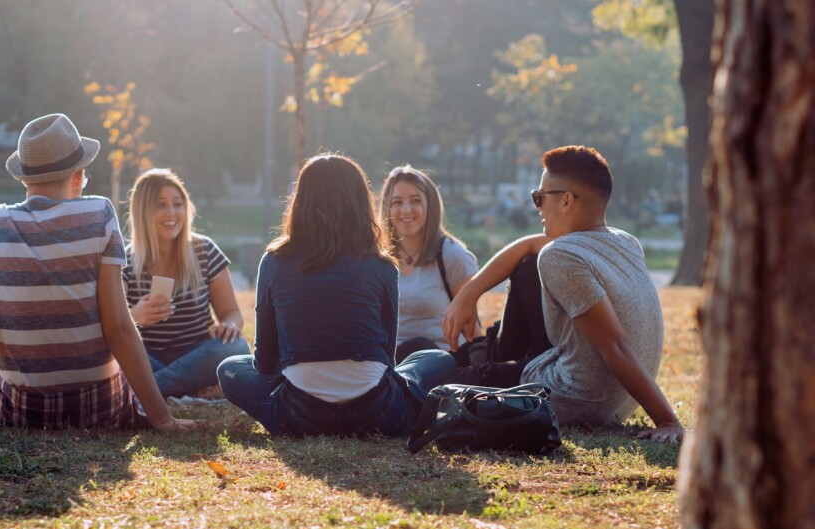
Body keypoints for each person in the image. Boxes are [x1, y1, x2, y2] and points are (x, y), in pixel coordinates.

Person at [0, 113, 197, 435]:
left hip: (21, 410)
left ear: (24, 179)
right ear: (78, 174)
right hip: (98, 405)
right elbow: (118, 326)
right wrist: (162, 419)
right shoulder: (99, 215)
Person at [440, 145, 684, 442]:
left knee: (439, 381)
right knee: (528, 266)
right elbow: (530, 245)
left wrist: (667, 420)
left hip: (577, 397)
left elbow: (615, 345)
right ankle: (484, 356)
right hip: (618, 400)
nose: (537, 206)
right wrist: (470, 292)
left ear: (566, 200)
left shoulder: (561, 256)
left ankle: (483, 362)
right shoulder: (624, 241)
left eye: (540, 198)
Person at [216, 153, 455, 437]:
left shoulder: (274, 261)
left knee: (230, 368)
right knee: (439, 360)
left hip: (299, 414)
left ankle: (285, 412)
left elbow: (265, 363)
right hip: (377, 412)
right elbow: (387, 360)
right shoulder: (381, 265)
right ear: (360, 202)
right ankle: (406, 410)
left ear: (301, 201)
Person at [123, 168, 249, 399]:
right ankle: (189, 389)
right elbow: (113, 329)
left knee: (236, 347)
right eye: (160, 205)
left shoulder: (205, 250)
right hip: (148, 357)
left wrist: (229, 325)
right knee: (115, 355)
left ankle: (147, 391)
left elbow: (232, 313)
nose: (172, 213)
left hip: (199, 353)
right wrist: (135, 316)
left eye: (177, 204)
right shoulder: (124, 262)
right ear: (142, 211)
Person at [378, 165, 478, 361]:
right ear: (387, 208)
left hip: (442, 364)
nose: (406, 210)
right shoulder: (377, 259)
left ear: (429, 205)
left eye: (415, 201)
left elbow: (472, 330)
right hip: (392, 365)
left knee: (420, 347)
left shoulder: (451, 255)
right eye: (397, 202)